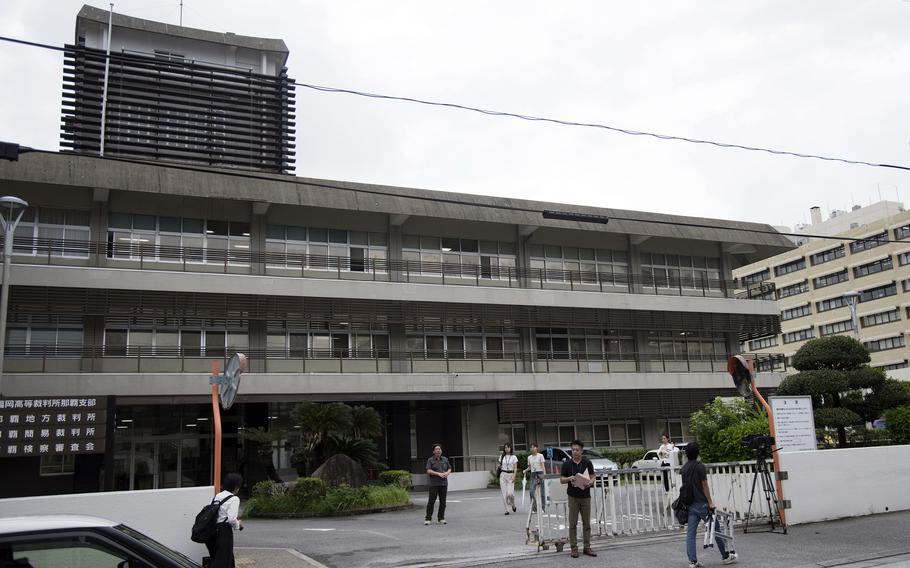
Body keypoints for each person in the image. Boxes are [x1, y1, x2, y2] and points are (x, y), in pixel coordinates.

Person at [681, 442, 738, 567]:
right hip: (702, 504)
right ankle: (726, 556)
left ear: (687, 454)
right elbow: (704, 485)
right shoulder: (699, 466)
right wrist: (710, 502)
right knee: (715, 530)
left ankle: (693, 561)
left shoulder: (684, 468)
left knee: (691, 534)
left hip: (691, 505)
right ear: (697, 453)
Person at [559, 439, 597, 558]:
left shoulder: (587, 463)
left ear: (581, 451)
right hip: (573, 497)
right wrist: (569, 478)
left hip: (585, 496)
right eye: (573, 450)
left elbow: (593, 476)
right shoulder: (567, 464)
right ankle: (574, 548)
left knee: (587, 523)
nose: (574, 452)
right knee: (573, 523)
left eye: (577, 450)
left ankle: (587, 547)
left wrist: (589, 483)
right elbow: (561, 480)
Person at [206, 473, 243, 568]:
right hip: (224, 531)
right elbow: (231, 519)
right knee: (223, 562)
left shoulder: (217, 496)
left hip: (212, 532)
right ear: (236, 487)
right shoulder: (234, 499)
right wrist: (238, 525)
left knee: (220, 558)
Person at [425, 443, 451, 525]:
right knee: (431, 502)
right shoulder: (430, 460)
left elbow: (449, 468)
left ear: (441, 451)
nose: (438, 450)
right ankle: (428, 519)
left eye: (439, 449)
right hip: (434, 484)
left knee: (443, 502)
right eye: (436, 449)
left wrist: (447, 473)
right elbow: (428, 471)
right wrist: (438, 474)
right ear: (433, 451)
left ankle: (441, 518)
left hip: (443, 484)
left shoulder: (445, 459)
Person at [523, 442, 546, 512]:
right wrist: (525, 470)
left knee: (542, 492)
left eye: (533, 447)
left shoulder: (540, 455)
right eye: (531, 447)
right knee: (531, 491)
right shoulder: (529, 457)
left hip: (540, 473)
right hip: (533, 474)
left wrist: (544, 475)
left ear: (537, 448)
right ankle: (534, 508)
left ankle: (542, 508)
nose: (532, 448)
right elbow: (530, 467)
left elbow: (543, 466)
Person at [498, 442, 519, 514]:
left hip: (510, 475)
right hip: (503, 475)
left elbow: (515, 468)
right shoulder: (501, 457)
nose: (507, 449)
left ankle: (513, 504)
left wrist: (514, 476)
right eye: (505, 447)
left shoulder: (514, 457)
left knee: (510, 494)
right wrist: (499, 467)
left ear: (511, 448)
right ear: (504, 449)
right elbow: (499, 466)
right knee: (504, 494)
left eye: (508, 447)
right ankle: (507, 510)